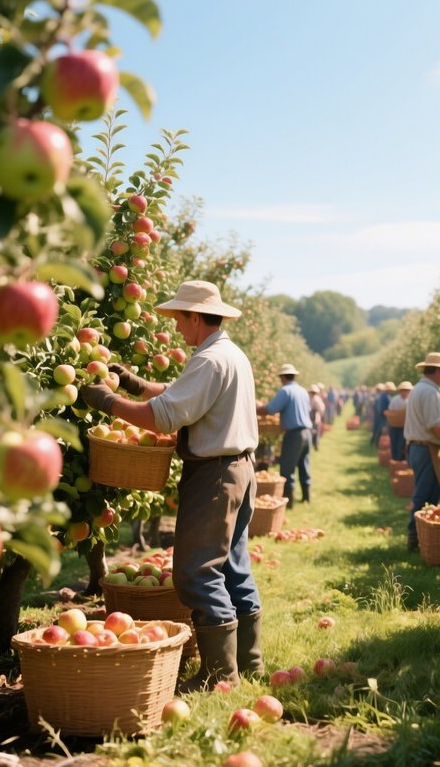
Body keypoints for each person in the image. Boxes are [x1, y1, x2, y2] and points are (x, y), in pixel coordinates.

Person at [79, 280, 263, 691]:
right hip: (239, 470)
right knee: (232, 565)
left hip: (215, 475)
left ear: (195, 317)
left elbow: (163, 417)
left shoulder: (210, 360)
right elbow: (183, 397)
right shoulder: (228, 355)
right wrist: (134, 385)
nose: (177, 328)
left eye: (179, 319)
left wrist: (108, 402)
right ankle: (249, 665)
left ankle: (221, 675)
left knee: (196, 573)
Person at [403, 353, 440, 551]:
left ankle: (419, 537)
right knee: (425, 495)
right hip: (425, 448)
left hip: (417, 447)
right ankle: (416, 537)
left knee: (426, 492)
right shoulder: (430, 393)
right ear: (439, 371)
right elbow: (436, 426)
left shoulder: (419, 389)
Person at [257, 363, 313, 507]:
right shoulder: (303, 391)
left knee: (287, 468)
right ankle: (307, 498)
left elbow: (271, 409)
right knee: (304, 465)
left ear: (282, 377)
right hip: (307, 433)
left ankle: (289, 503)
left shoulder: (285, 391)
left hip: (294, 434)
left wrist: (255, 408)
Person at [386, 380, 412, 461]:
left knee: (402, 443)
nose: (405, 392)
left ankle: (401, 459)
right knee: (394, 441)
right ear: (400, 391)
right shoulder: (395, 400)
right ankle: (394, 459)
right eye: (404, 390)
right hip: (394, 425)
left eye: (407, 391)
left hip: (405, 426)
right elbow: (390, 411)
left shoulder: (410, 400)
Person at [309, 383, 326, 450]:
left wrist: (317, 413)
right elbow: (322, 409)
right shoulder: (311, 398)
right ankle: (313, 444)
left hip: (315, 418)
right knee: (312, 432)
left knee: (315, 432)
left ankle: (315, 445)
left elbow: (321, 409)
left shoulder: (316, 399)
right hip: (311, 418)